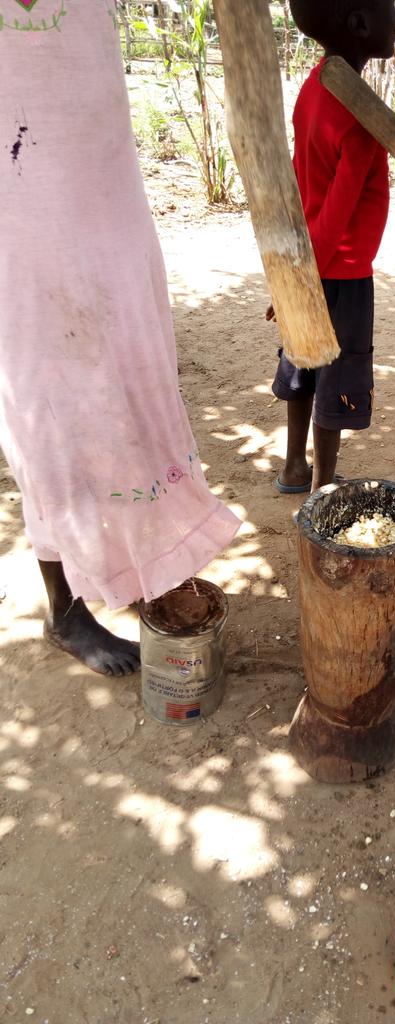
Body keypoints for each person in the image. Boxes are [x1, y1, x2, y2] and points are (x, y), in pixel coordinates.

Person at [0, 1, 241, 677]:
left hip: (106, 208)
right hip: (18, 227)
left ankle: (137, 569)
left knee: (132, 393)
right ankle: (66, 612)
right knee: (47, 420)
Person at [269, 0, 395, 495]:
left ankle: (294, 467)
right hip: (340, 269)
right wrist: (303, 277)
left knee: (303, 364)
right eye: (391, 5)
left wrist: (293, 274)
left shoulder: (314, 85)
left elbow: (300, 179)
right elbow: (340, 208)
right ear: (360, 22)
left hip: (308, 258)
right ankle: (322, 489)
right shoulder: (359, 111)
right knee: (335, 379)